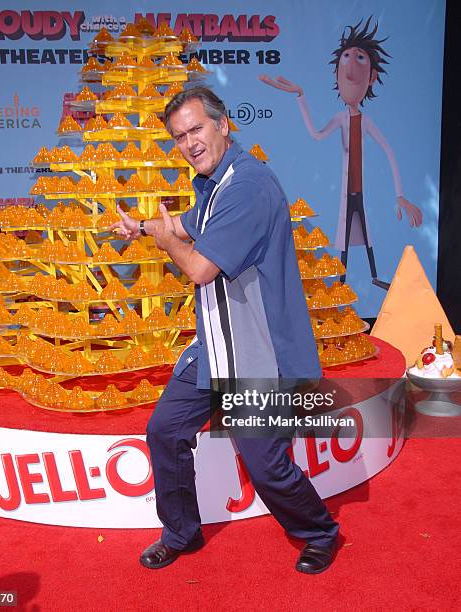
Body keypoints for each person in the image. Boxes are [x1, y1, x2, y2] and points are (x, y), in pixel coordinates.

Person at [111, 86, 339, 574]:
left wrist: (169, 240)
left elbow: (197, 267)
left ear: (223, 125)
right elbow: (187, 225)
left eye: (196, 129)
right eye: (179, 136)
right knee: (165, 430)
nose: (189, 142)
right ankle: (182, 532)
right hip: (216, 344)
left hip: (260, 353)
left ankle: (320, 531)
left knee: (266, 465)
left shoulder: (247, 187)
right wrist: (143, 227)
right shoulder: (217, 183)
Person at [260, 17, 422, 290]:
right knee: (346, 238)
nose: (350, 67)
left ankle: (372, 276)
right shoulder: (340, 118)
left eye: (360, 59)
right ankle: (343, 281)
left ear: (371, 78)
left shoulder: (366, 121)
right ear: (336, 74)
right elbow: (317, 134)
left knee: (366, 237)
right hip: (349, 194)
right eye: (345, 59)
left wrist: (400, 196)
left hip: (360, 194)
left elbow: (389, 152)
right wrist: (300, 96)